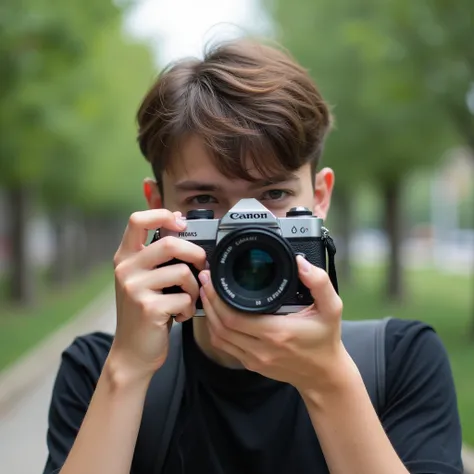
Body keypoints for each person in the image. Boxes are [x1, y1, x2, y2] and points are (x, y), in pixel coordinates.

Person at [43, 38, 463, 474]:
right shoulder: (97, 371)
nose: (245, 226)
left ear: (319, 198)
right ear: (158, 210)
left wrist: (330, 383)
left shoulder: (400, 361)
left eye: (275, 194)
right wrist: (128, 370)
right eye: (205, 199)